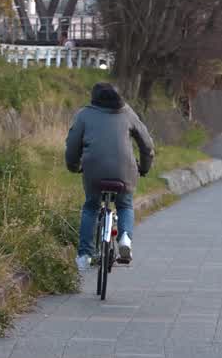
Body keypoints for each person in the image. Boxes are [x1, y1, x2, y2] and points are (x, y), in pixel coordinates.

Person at [64, 82, 154, 271]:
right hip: (124, 171)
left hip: (93, 171)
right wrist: (144, 168)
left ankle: (84, 255)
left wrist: (73, 166)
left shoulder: (85, 114)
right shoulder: (127, 113)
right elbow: (146, 145)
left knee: (91, 207)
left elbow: (72, 144)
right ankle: (125, 239)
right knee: (124, 205)